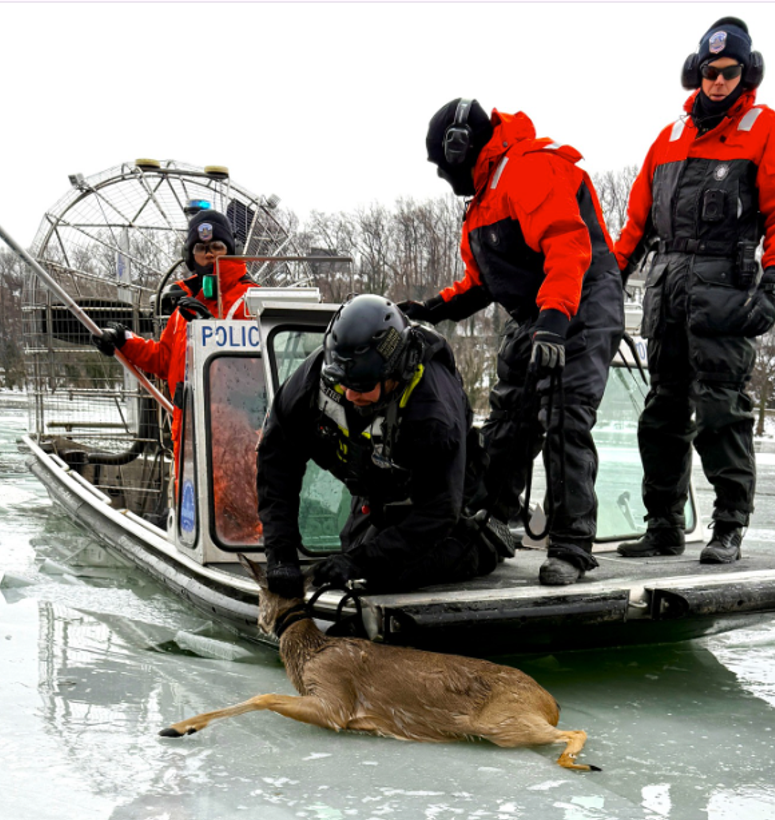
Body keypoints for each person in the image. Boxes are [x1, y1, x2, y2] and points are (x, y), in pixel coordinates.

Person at [400, 100, 624, 587]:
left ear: (460, 147)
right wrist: (431, 307)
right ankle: (487, 524)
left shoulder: (530, 169)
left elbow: (568, 246)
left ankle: (571, 545)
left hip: (581, 300)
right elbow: (480, 283)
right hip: (535, 313)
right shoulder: (483, 201)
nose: (442, 175)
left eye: (442, 164)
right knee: (508, 422)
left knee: (564, 417)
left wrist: (554, 323)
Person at [613, 16, 775, 563]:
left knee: (722, 411)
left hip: (727, 289)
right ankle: (663, 526)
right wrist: (607, 280)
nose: (718, 80)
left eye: (729, 71)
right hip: (667, 288)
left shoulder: (769, 128)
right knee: (661, 415)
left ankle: (728, 526)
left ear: (746, 74)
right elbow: (636, 223)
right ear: (696, 74)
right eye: (709, 71)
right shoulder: (668, 138)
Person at [256, 294, 514, 601]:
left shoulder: (434, 413)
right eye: (341, 382)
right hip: (377, 484)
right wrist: (281, 556)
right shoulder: (310, 385)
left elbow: (437, 511)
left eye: (363, 385)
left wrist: (362, 562)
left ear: (395, 374)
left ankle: (484, 539)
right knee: (348, 560)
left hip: (438, 496)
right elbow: (276, 465)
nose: (350, 395)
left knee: (390, 574)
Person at [93, 207, 258, 468]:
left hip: (236, 438)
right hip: (187, 434)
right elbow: (163, 360)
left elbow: (257, 380)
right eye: (202, 249)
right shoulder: (184, 308)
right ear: (190, 257)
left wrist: (210, 335)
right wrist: (123, 341)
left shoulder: (249, 302)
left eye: (217, 247)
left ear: (232, 251)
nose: (210, 255)